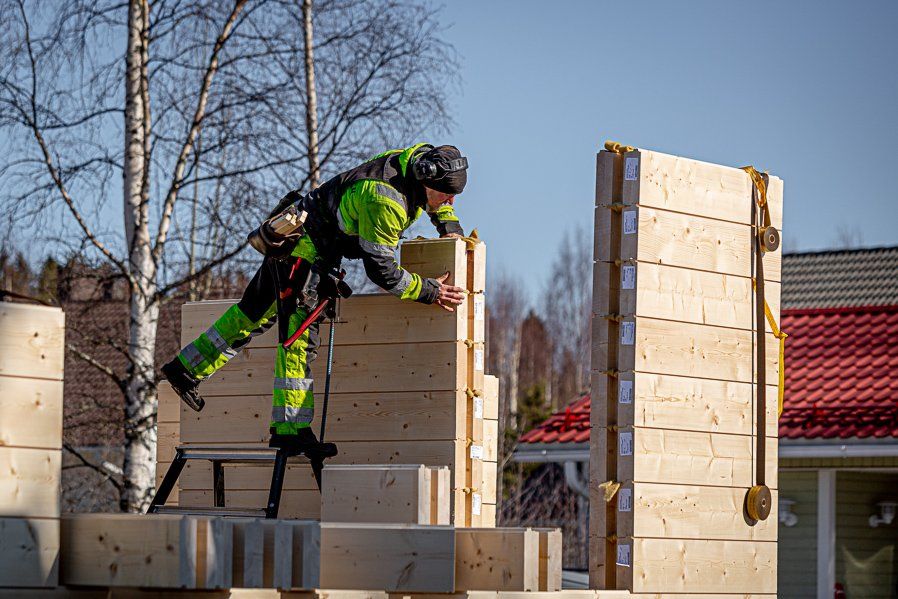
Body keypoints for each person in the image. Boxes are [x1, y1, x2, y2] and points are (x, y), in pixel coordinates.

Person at [161, 143, 469, 453]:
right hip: (306, 252)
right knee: (299, 337)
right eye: (446, 195)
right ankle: (290, 430)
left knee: (252, 313)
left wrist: (449, 226)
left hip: (296, 235)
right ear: (425, 180)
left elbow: (438, 197)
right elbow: (382, 271)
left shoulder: (416, 158)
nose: (451, 201)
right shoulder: (385, 201)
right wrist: (429, 291)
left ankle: (185, 368)